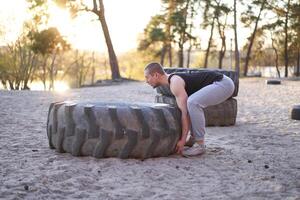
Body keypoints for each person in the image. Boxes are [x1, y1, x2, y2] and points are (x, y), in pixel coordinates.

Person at [144, 62, 235, 157]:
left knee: (193, 103)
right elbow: (187, 111)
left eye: (147, 77)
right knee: (191, 104)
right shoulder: (173, 82)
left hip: (223, 84)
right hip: (222, 83)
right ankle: (193, 139)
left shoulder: (175, 83)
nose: (146, 81)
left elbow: (185, 113)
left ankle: (200, 144)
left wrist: (182, 140)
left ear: (156, 75)